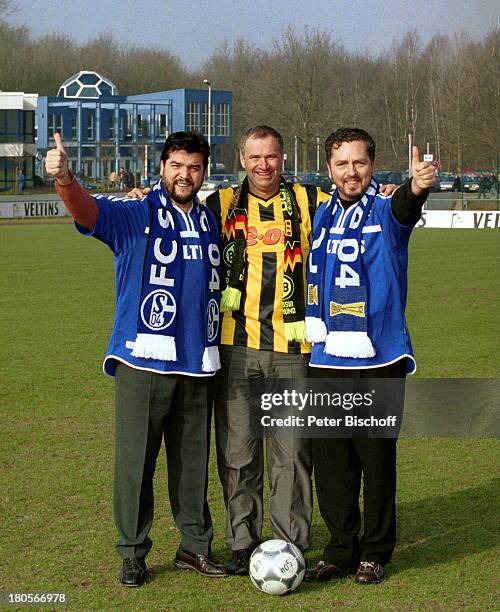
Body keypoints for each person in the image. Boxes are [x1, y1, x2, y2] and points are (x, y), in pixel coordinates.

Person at [45, 131, 229, 587]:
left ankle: (195, 547)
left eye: (194, 167)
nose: (185, 175)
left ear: (204, 173)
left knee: (192, 466)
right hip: (143, 361)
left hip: (198, 362)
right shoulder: (136, 212)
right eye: (177, 165)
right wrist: (66, 178)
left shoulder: (212, 220)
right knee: (136, 464)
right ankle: (132, 551)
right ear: (162, 167)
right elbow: (90, 213)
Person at [304, 127, 436, 584]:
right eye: (342, 164)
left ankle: (376, 551)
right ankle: (340, 549)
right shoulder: (319, 216)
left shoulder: (386, 210)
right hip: (324, 361)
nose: (351, 171)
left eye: (359, 162)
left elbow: (406, 208)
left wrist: (417, 185)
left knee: (375, 462)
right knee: (332, 466)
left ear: (373, 165)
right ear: (330, 169)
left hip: (379, 360)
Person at [205, 125, 333, 574]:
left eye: (272, 157)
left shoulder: (309, 201)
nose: (263, 165)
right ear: (242, 159)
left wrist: (394, 189)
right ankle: (243, 542)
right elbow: (172, 216)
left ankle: (289, 544)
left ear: (283, 158)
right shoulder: (218, 204)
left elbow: (358, 208)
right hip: (234, 347)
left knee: (292, 452)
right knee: (239, 453)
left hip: (292, 349)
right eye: (255, 157)